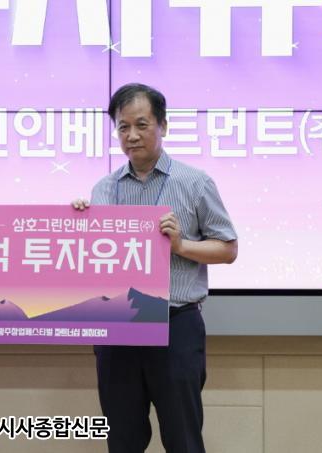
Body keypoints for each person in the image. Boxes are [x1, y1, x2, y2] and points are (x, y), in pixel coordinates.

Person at [73, 83, 238, 453]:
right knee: (122, 439)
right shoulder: (103, 189)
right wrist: (78, 224)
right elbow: (92, 260)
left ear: (163, 125)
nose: (131, 135)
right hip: (117, 327)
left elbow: (228, 248)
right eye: (123, 127)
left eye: (141, 125)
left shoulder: (194, 182)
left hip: (175, 325)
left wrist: (181, 246)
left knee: (183, 438)